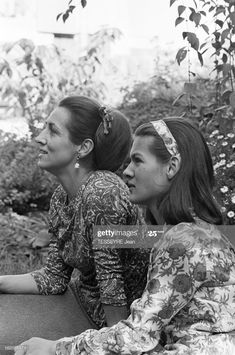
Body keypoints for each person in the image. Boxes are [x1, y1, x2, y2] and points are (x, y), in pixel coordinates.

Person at [16, 117, 235, 355]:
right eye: (129, 160)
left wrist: (56, 348)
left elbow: (137, 335)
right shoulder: (193, 231)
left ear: (171, 167)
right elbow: (60, 270)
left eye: (138, 161)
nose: (127, 171)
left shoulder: (178, 238)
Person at [0, 96, 150, 346]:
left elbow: (112, 284)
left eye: (53, 130)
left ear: (83, 147)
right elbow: (54, 277)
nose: (39, 137)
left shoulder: (103, 191)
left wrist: (111, 347)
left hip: (119, 324)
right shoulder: (61, 197)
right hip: (84, 302)